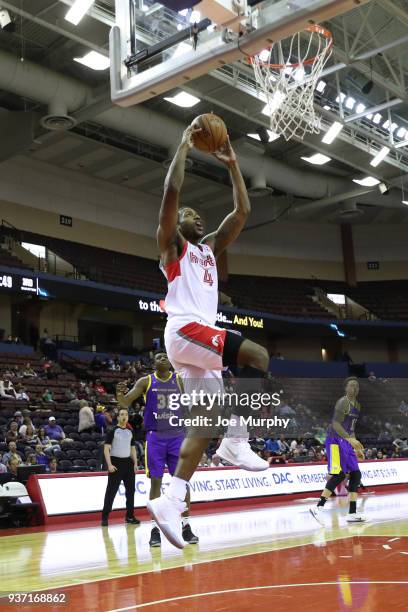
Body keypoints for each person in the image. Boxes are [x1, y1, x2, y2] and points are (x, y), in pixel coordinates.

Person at [147, 124, 270, 548]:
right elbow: (170, 195)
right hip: (185, 331)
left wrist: (234, 166)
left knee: (205, 423)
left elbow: (241, 214)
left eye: (198, 214)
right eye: (189, 215)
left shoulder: (209, 248)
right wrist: (182, 145)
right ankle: (237, 440)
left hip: (196, 344)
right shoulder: (173, 247)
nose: (195, 215)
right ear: (177, 226)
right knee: (258, 356)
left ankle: (171, 498)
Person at [116, 350, 198, 547]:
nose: (164, 358)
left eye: (166, 356)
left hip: (177, 435)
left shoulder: (179, 380)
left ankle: (185, 526)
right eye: (159, 357)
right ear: (154, 363)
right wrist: (119, 392)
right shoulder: (146, 381)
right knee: (156, 482)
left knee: (182, 482)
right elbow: (125, 402)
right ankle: (155, 529)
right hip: (155, 437)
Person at [310, 377, 366, 524]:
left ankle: (352, 513)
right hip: (335, 440)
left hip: (346, 441)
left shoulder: (357, 406)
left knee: (355, 474)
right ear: (346, 388)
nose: (355, 388)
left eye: (357, 386)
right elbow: (336, 424)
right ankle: (318, 509)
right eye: (351, 385)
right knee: (339, 474)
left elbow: (350, 429)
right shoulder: (343, 402)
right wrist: (350, 439)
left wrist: (355, 446)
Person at [101, 408, 140, 527]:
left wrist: (135, 463)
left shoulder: (130, 432)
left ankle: (130, 516)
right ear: (117, 417)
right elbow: (106, 448)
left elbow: (132, 449)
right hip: (116, 463)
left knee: (130, 492)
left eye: (126, 415)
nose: (124, 416)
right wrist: (109, 465)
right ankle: (105, 516)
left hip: (128, 464)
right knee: (111, 492)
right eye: (122, 414)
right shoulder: (113, 430)